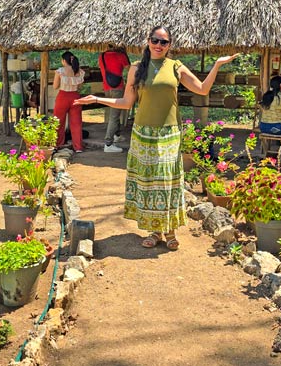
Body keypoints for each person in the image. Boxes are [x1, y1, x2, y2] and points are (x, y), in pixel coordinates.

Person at [75, 26, 238, 251]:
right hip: (143, 133)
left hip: (169, 133)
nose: (159, 45)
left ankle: (169, 230)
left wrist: (217, 65)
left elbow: (202, 89)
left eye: (164, 42)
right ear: (148, 41)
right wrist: (98, 99)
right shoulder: (136, 68)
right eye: (155, 40)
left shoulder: (176, 67)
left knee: (167, 182)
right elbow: (126, 102)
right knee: (149, 183)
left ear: (170, 45)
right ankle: (154, 229)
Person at [98, 45, 130, 153]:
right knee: (114, 115)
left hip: (107, 88)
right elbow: (129, 69)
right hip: (118, 88)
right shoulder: (121, 56)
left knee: (114, 113)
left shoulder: (101, 56)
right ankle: (108, 143)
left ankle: (117, 135)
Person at [53, 51, 85, 153]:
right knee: (76, 123)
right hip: (75, 96)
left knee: (58, 121)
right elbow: (80, 87)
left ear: (63, 61)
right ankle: (78, 147)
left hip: (63, 96)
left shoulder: (60, 71)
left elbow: (55, 86)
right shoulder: (79, 71)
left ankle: (58, 144)